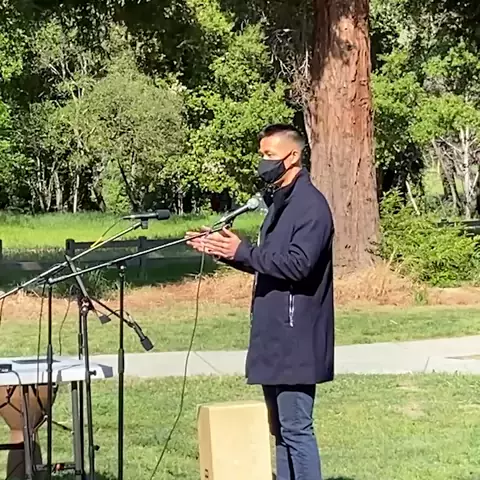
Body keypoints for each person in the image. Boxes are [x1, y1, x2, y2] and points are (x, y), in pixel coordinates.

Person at [186, 124, 334, 480]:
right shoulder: (279, 205)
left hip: (297, 335)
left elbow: (298, 265)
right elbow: (267, 262)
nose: (263, 162)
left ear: (293, 156)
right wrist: (226, 251)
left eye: (270, 155)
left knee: (297, 428)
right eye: (261, 154)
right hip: (273, 333)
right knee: (280, 429)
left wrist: (244, 251)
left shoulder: (310, 206)